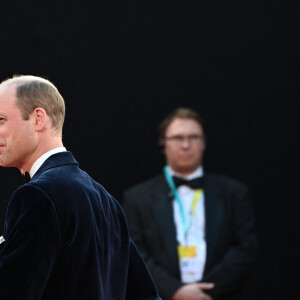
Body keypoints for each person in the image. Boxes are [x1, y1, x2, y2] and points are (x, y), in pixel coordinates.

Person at [0, 75, 161, 300]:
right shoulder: (106, 201)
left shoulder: (38, 196)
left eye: (1, 120)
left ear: (38, 119)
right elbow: (146, 295)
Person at [123, 108, 257, 300]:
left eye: (193, 137)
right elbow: (134, 252)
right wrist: (176, 291)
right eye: (177, 138)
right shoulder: (137, 197)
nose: (186, 145)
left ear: (203, 143)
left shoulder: (233, 192)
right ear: (163, 143)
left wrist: (204, 293)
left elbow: (245, 249)